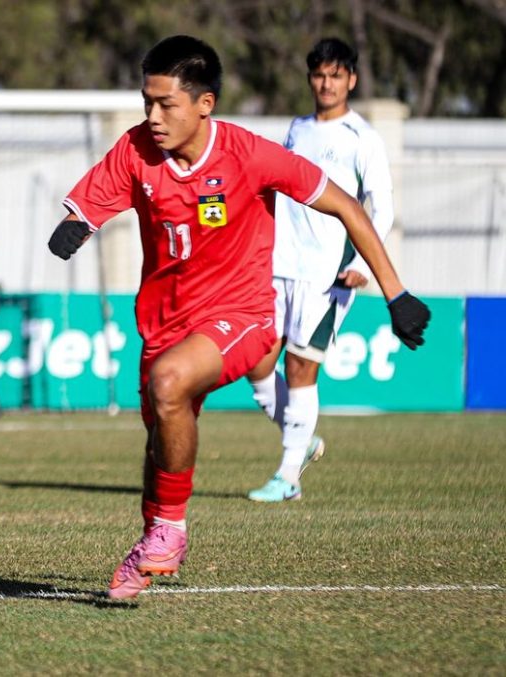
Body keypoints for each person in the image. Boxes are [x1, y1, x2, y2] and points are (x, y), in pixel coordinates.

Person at [48, 35, 429, 600]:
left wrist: (396, 294)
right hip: (163, 322)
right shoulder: (136, 150)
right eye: (147, 102)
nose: (153, 117)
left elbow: (348, 206)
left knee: (169, 383)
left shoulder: (249, 155)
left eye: (166, 104)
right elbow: (91, 205)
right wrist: (75, 227)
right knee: (161, 433)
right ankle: (153, 539)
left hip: (243, 314)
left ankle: (174, 530)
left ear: (205, 104)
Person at [246, 38, 393, 503]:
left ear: (352, 80)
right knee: (255, 362)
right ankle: (301, 437)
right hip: (278, 266)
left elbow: (381, 208)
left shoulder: (362, 138)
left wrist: (361, 262)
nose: (326, 83)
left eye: (336, 75)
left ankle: (289, 475)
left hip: (328, 273)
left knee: (300, 365)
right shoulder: (297, 129)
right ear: (310, 79)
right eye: (319, 74)